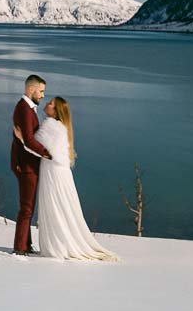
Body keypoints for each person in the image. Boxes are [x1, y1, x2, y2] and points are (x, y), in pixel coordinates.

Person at [33, 96, 120, 261]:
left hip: (53, 173)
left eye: (51, 103)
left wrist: (21, 138)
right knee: (63, 207)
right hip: (60, 172)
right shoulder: (62, 127)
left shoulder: (50, 125)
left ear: (57, 111)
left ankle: (56, 247)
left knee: (55, 207)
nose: (47, 104)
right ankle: (62, 244)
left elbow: (35, 145)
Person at [9, 74, 50, 255]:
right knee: (26, 209)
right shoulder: (25, 109)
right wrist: (49, 154)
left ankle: (26, 244)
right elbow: (28, 140)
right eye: (41, 91)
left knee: (29, 207)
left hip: (27, 164)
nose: (42, 95)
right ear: (30, 89)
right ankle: (19, 248)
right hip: (26, 166)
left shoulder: (27, 107)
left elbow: (26, 138)